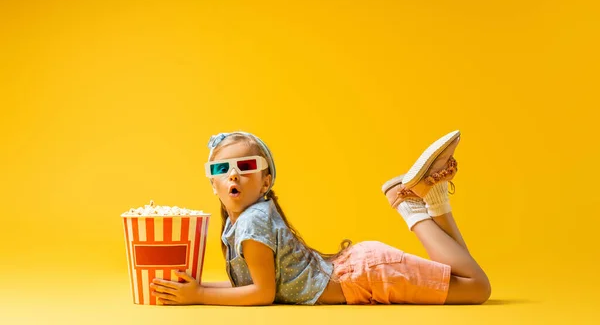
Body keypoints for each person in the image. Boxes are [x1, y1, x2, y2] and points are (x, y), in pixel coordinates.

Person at [150, 130, 491, 306]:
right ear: (213, 183)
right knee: (466, 278)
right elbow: (250, 286)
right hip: (360, 273)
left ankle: (407, 206)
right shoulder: (240, 222)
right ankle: (433, 197)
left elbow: (262, 293)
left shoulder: (252, 221)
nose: (233, 176)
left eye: (247, 167)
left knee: (477, 288)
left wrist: (200, 296)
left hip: (367, 277)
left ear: (266, 181)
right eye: (222, 169)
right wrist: (198, 288)